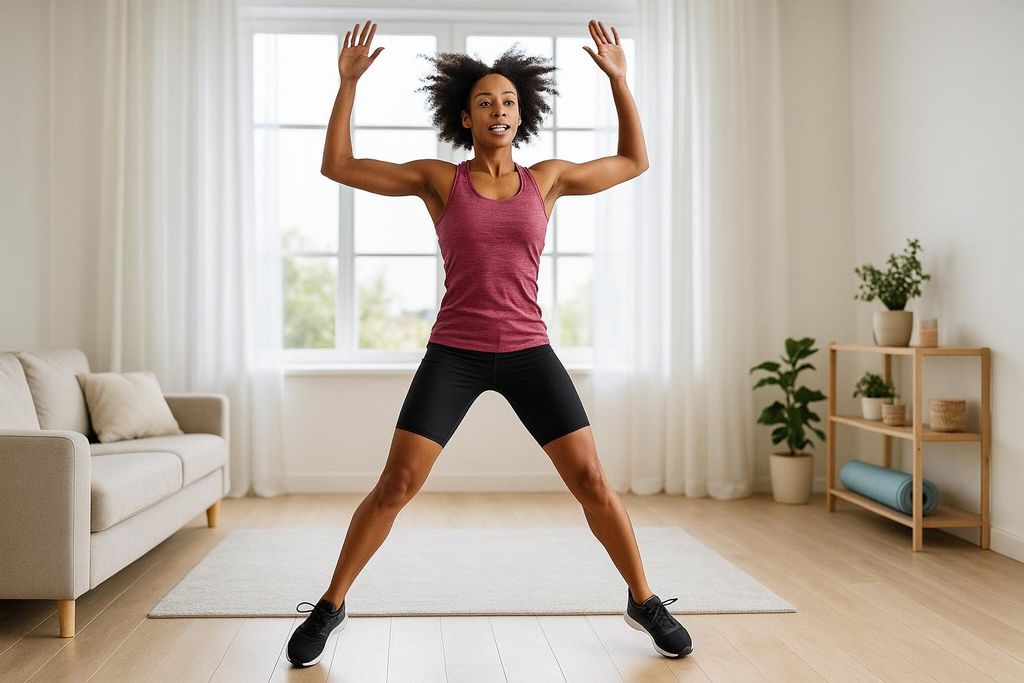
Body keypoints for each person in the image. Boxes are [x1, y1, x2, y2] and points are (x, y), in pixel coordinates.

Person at [286, 18, 692, 668]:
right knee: (396, 483)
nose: (497, 108)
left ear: (520, 114)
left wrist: (620, 81)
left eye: (507, 100)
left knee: (591, 478)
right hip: (456, 351)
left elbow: (634, 160)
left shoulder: (548, 178)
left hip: (529, 350)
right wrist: (347, 86)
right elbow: (337, 165)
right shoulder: (441, 180)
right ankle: (331, 603)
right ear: (466, 117)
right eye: (484, 101)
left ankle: (643, 599)